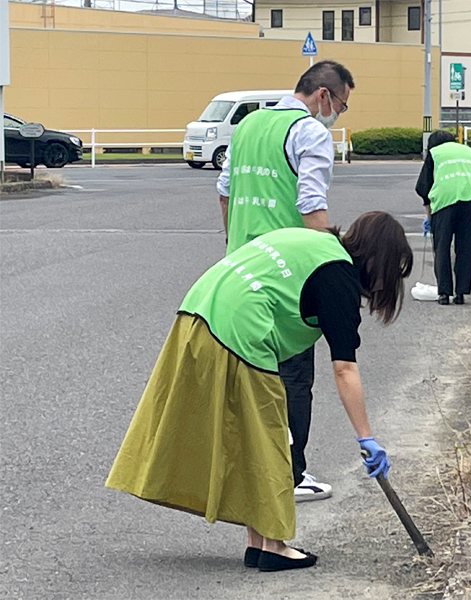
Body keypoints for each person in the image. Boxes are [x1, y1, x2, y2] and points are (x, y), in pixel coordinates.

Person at [106, 211, 414, 572]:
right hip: (239, 329)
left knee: (249, 437)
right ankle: (274, 545)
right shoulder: (338, 277)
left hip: (198, 309)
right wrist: (367, 438)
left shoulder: (315, 242)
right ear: (379, 260)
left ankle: (258, 541)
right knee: (270, 437)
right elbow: (344, 368)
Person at [217, 60, 354, 502]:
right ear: (324, 96)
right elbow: (312, 203)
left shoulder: (248, 125)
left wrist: (235, 240)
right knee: (293, 379)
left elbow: (225, 191)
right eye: (342, 106)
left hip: (239, 267)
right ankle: (290, 476)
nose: (337, 115)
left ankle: (252, 472)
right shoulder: (311, 132)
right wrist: (331, 262)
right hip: (286, 275)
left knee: (252, 378)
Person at [415, 130, 471, 305]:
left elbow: (423, 187)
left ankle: (444, 293)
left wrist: (429, 216)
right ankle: (461, 292)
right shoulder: (469, 151)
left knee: (442, 247)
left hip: (445, 201)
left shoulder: (435, 154)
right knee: (466, 247)